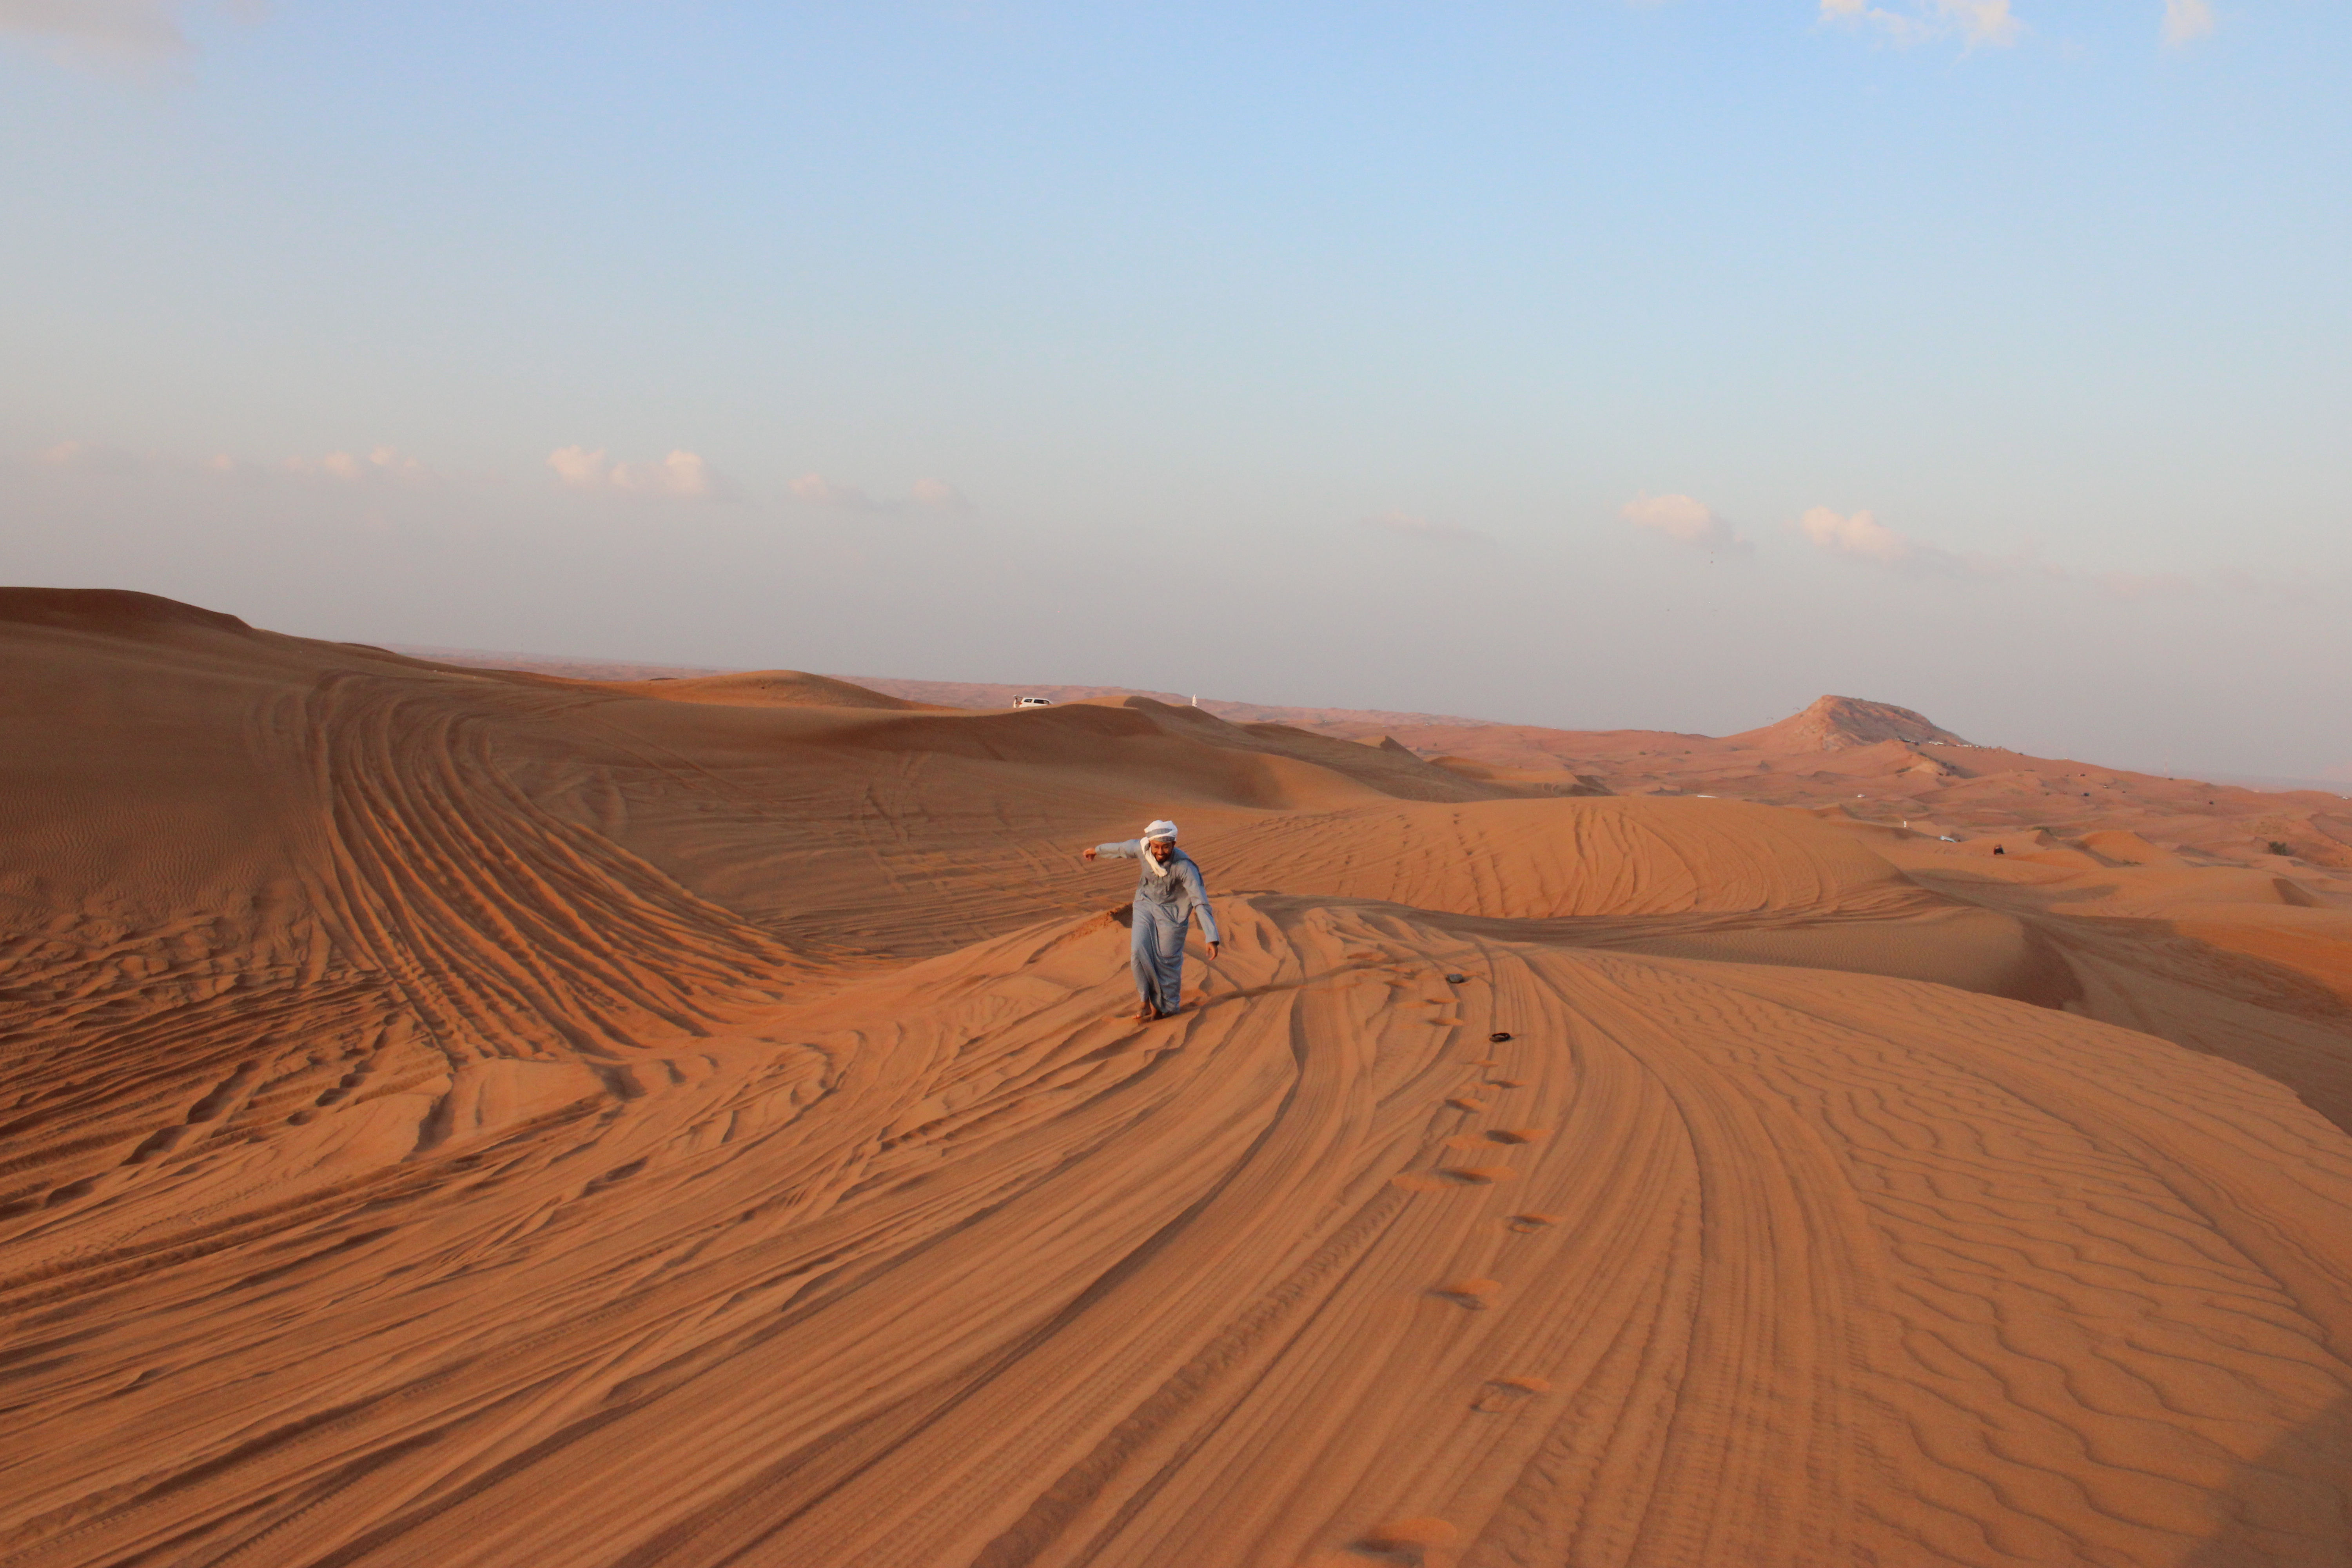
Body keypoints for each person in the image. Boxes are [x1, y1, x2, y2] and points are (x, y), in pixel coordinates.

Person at [1083, 819, 1220, 1022]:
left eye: (1166, 846)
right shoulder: (1142, 849)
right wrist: (1097, 850)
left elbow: (1200, 901)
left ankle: (1169, 1007)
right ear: (1150, 844)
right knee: (1138, 952)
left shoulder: (1184, 866)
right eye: (1156, 846)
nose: (1161, 851)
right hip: (1145, 904)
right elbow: (1122, 848)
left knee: (1167, 961)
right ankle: (1145, 1001)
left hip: (1174, 913)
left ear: (1174, 844)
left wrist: (1211, 937)